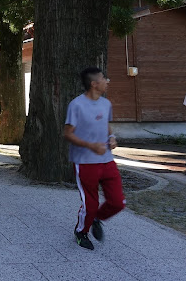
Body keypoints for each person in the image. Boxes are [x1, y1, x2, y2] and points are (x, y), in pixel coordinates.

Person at [64, 67, 126, 250]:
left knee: (117, 202)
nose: (107, 81)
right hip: (85, 162)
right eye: (104, 78)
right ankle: (81, 232)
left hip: (107, 160)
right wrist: (91, 146)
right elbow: (68, 133)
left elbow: (105, 125)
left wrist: (111, 138)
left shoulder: (106, 104)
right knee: (90, 204)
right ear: (94, 84)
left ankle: (97, 218)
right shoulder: (76, 105)